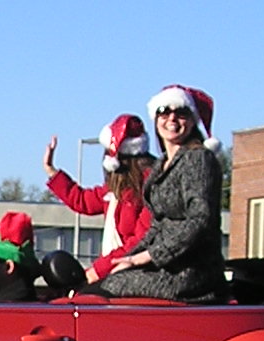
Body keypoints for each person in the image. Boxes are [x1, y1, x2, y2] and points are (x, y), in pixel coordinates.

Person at [95, 86, 224, 301]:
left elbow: (201, 220)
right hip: (166, 265)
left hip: (191, 273)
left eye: (181, 113)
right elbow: (156, 226)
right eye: (164, 112)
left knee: (103, 290)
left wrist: (149, 256)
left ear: (192, 121)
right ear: (155, 119)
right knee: (107, 281)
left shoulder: (199, 158)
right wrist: (129, 258)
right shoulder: (161, 165)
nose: (172, 118)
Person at [42, 114, 154, 283]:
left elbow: (140, 241)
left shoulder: (151, 189)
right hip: (115, 270)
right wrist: (51, 171)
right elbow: (82, 200)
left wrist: (98, 270)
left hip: (136, 273)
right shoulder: (114, 191)